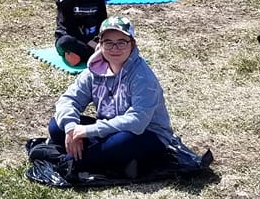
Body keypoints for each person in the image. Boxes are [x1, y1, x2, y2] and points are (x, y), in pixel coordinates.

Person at [46, 17, 195, 176]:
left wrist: (89, 131)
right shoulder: (94, 70)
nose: (114, 48)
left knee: (122, 142)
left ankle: (73, 159)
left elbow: (137, 121)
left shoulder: (142, 77)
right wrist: (71, 129)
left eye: (122, 42)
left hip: (145, 133)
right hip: (109, 127)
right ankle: (103, 159)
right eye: (108, 42)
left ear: (132, 44)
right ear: (100, 44)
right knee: (56, 126)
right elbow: (69, 100)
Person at [55, 0, 108, 66]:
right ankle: (99, 56)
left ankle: (81, 56)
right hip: (72, 37)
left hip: (93, 38)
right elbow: (71, 29)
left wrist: (101, 41)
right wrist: (92, 45)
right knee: (65, 42)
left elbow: (103, 22)